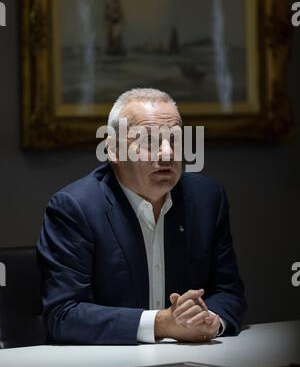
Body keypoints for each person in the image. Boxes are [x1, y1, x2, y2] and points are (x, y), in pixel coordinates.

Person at [37, 88, 246, 345]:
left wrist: (207, 321)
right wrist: (161, 323)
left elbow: (229, 292)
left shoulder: (207, 199)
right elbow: (63, 314)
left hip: (192, 358)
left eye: (175, 140)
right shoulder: (75, 207)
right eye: (149, 141)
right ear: (113, 150)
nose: (168, 153)